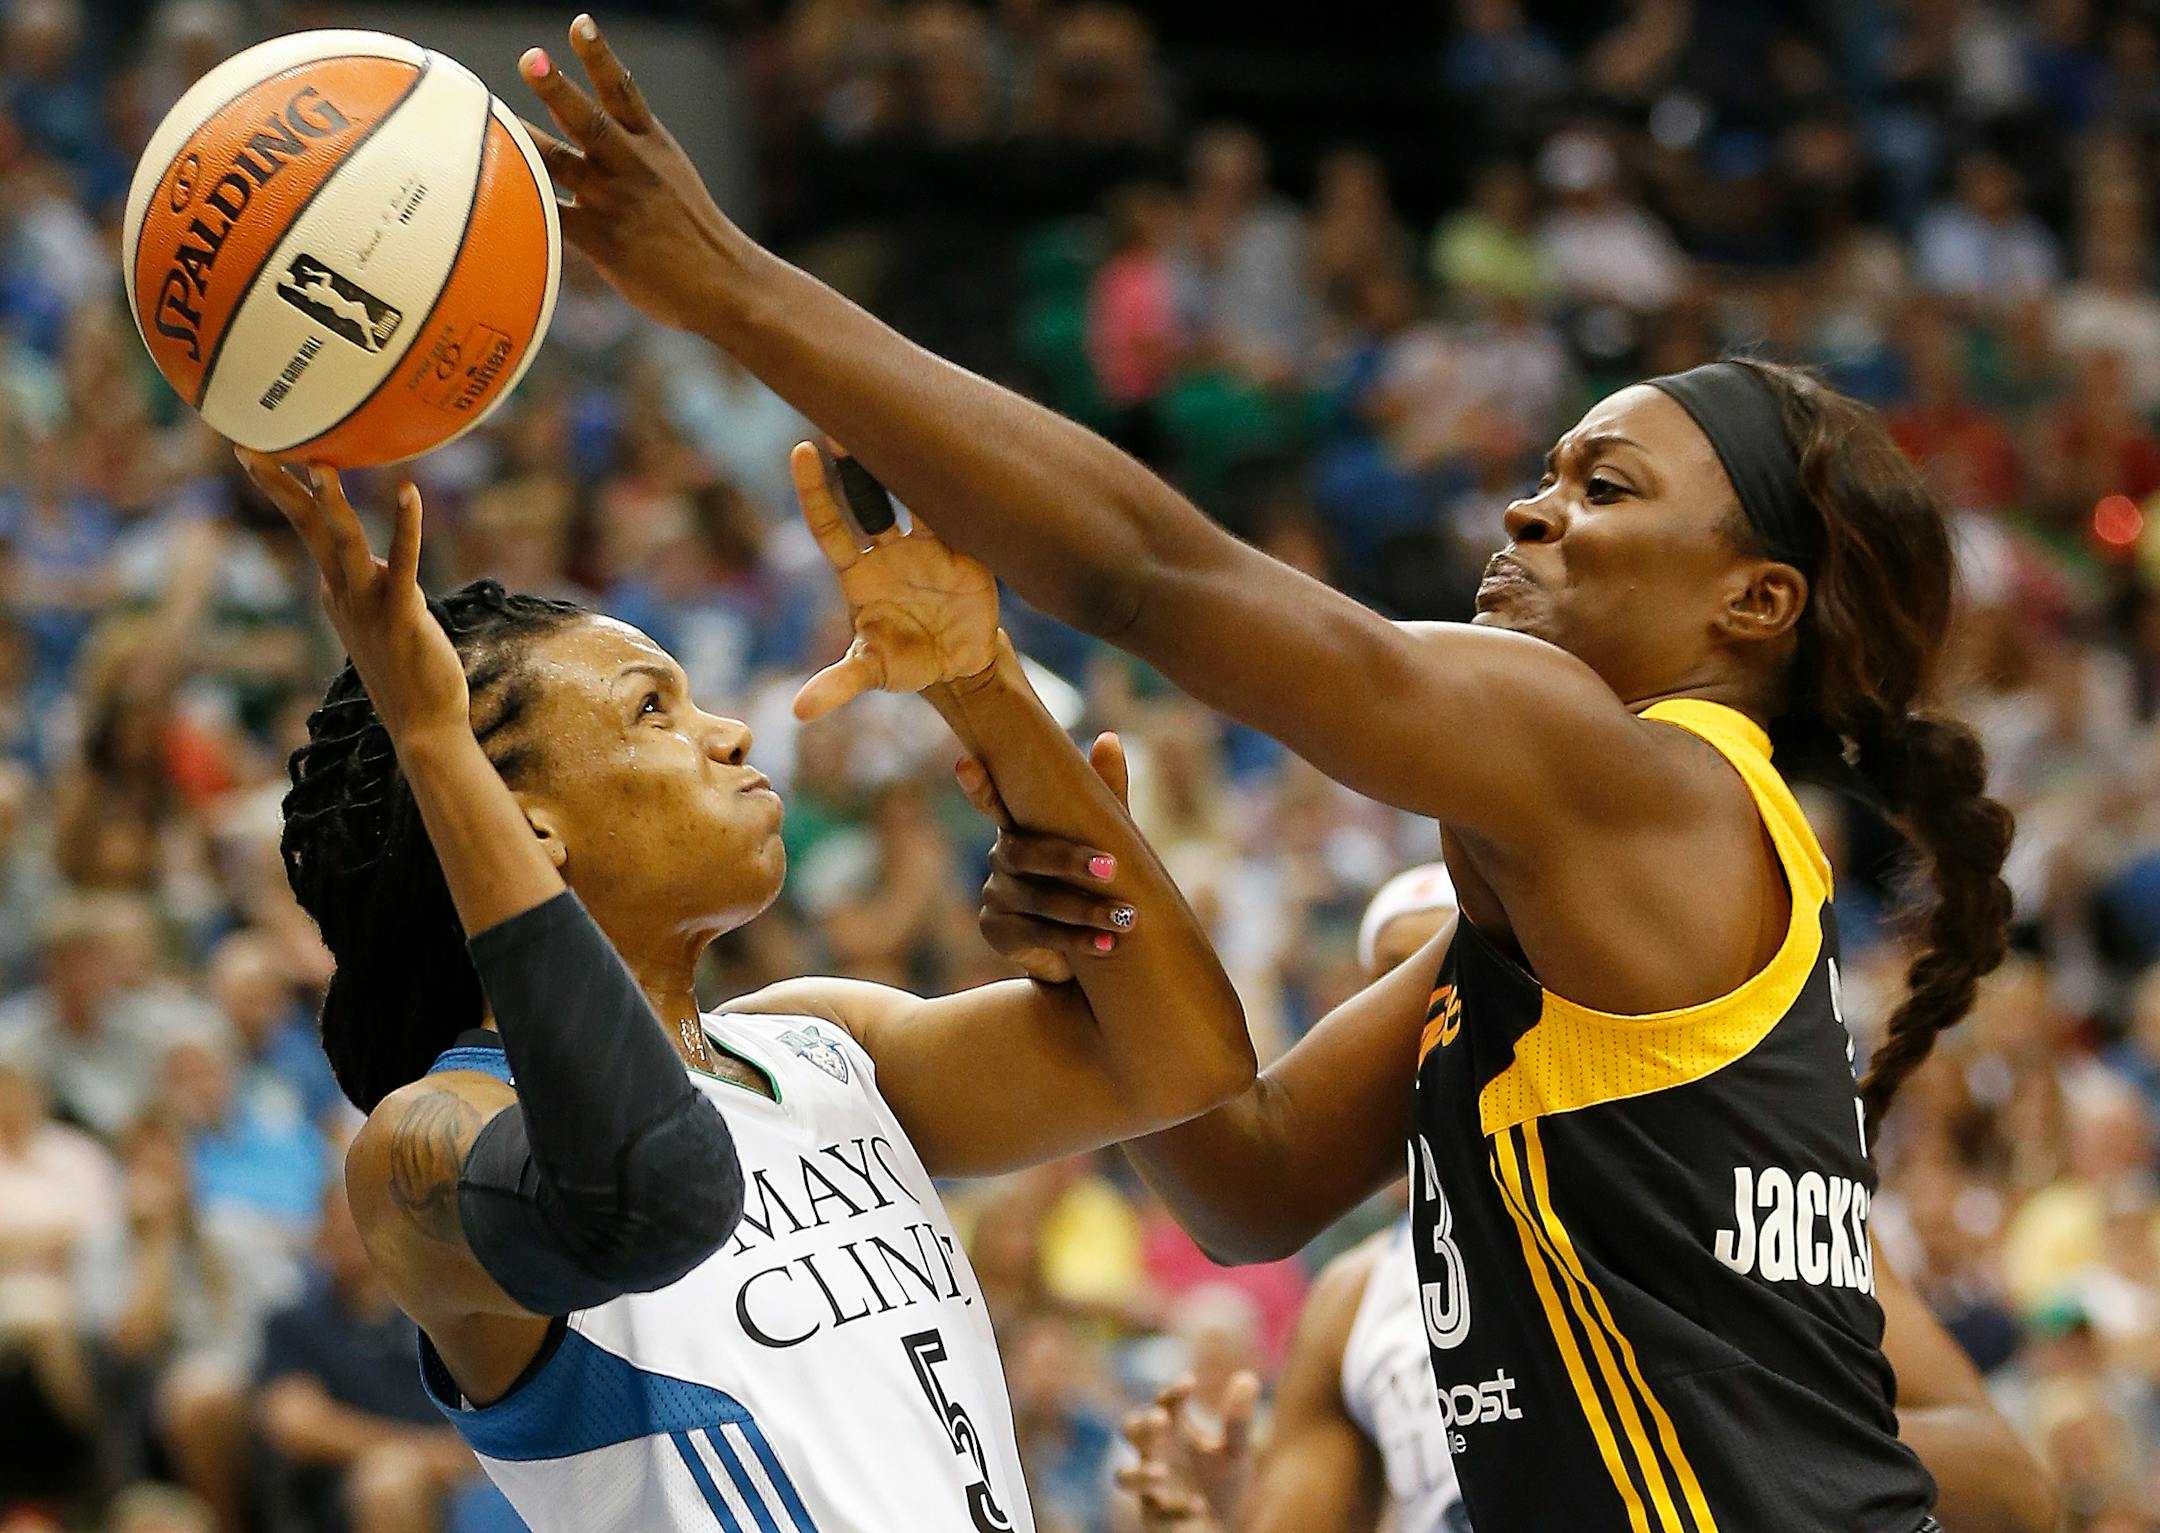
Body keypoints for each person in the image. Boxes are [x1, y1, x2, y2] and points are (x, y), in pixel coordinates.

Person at [512, 23, 2017, 1527]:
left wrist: (730, 285)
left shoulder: (1639, 774)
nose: (1528, 507)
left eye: (1601, 487)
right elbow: (1254, 1178)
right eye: (1547, 470)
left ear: (1754, 604)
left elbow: (1150, 573)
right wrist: (1004, 725)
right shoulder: (1577, 909)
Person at [237, 435, 1251, 1533]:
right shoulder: (426, 1141)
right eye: (652, 710)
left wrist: (978, 677)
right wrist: (433, 740)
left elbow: (1191, 1059)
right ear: (530, 824)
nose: (728, 733)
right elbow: (645, 1192)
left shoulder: (818, 1041)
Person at [1109, 872, 2054, 1533]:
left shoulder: (1725, 1190)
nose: (1460, 1021)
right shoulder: (1357, 1301)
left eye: (1497, 983)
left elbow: (2011, 1495)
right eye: (1412, 996)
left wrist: (1741, 1422)